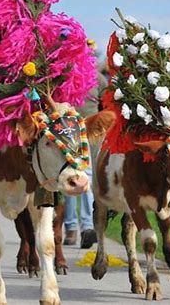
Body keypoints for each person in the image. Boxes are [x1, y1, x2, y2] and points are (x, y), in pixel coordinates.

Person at [63, 71, 107, 249]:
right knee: (69, 178)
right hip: (68, 132)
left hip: (90, 135)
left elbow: (106, 105)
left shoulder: (98, 78)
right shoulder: (64, 74)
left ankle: (87, 227)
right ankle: (72, 227)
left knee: (86, 178)